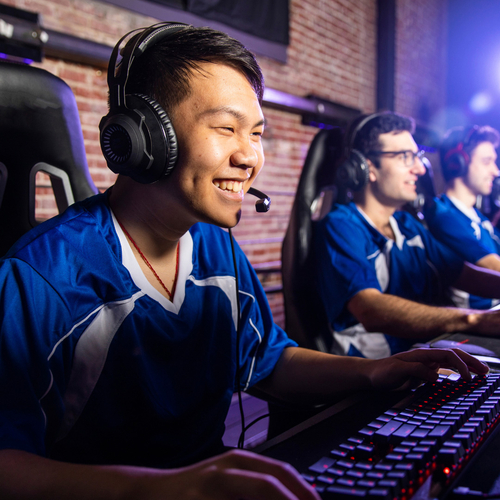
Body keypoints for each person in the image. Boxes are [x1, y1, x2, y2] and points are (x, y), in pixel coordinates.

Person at [0, 24, 488, 500]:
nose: (249, 156)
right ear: (145, 140)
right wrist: (167, 488)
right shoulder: (44, 276)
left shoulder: (215, 246)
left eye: (256, 133)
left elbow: (270, 362)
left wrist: (374, 372)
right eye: (227, 128)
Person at [314, 111, 500, 360]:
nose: (420, 169)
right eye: (405, 157)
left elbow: (463, 274)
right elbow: (370, 309)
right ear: (366, 166)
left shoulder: (407, 225)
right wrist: (473, 319)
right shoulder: (341, 226)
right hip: (370, 379)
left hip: (420, 364)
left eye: (417, 156)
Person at [424, 125, 500, 309]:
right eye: (486, 161)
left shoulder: (478, 218)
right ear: (457, 163)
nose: (496, 171)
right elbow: (493, 267)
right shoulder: (443, 216)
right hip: (477, 322)